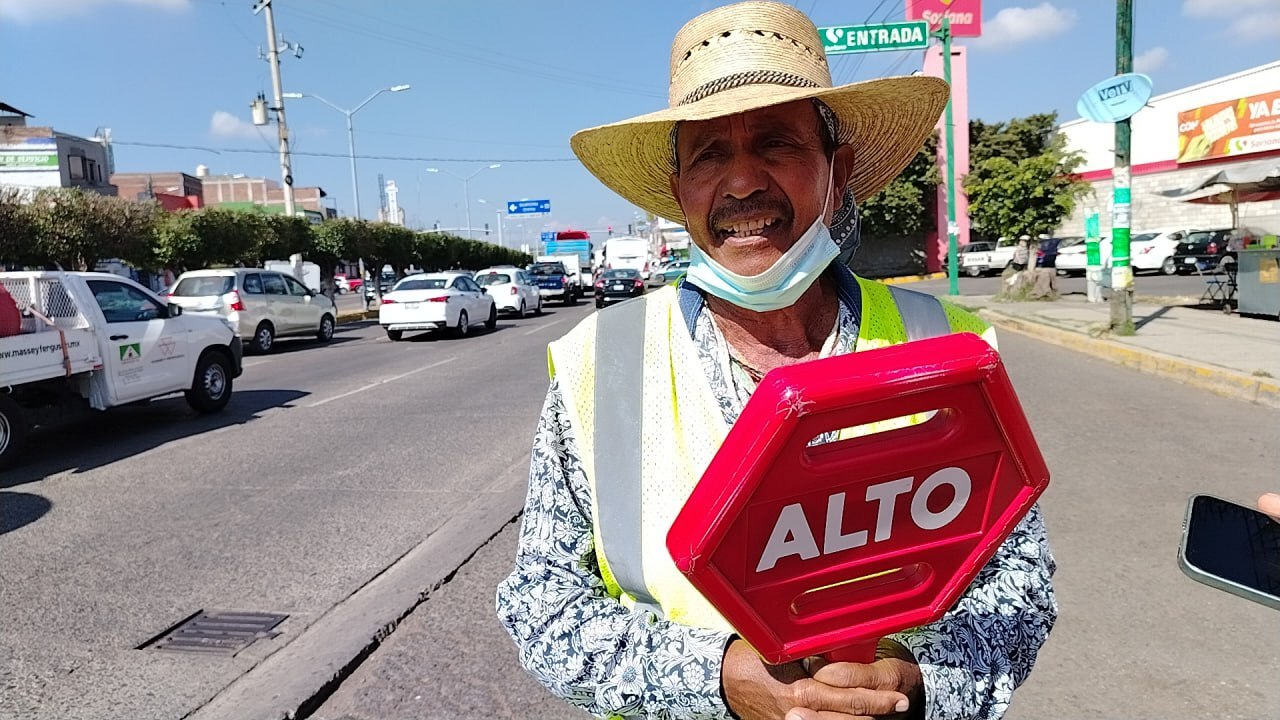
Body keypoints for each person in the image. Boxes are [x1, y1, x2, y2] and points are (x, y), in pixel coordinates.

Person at [496, 3, 1057, 719]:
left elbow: (1022, 587)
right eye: (708, 155)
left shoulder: (949, 350)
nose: (740, 183)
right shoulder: (599, 364)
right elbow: (542, 606)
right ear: (679, 193)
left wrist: (915, 682)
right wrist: (717, 679)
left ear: (836, 168)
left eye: (776, 143)